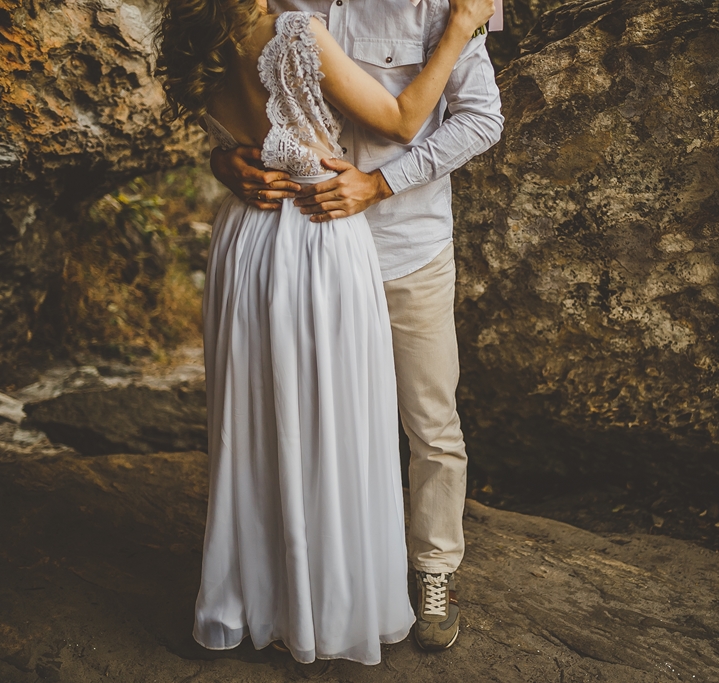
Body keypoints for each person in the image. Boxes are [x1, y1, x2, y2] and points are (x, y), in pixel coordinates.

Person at [155, 0, 494, 664]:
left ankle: (433, 570)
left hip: (405, 245)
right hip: (308, 250)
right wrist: (226, 161)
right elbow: (258, 109)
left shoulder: (434, 3)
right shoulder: (288, 15)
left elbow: (482, 118)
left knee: (430, 422)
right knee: (303, 425)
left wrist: (381, 184)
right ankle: (314, 589)